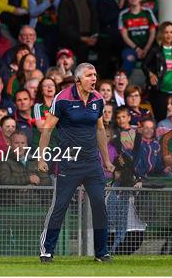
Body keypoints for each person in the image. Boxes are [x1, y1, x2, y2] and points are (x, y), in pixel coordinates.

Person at [38, 63, 115, 262]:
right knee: (60, 206)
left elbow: (100, 130)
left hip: (92, 162)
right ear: (78, 79)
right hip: (69, 162)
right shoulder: (62, 98)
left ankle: (101, 252)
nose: (94, 79)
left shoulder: (98, 99)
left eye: (95, 75)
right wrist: (41, 157)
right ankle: (47, 251)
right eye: (90, 75)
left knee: (99, 205)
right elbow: (47, 129)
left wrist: (106, 160)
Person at [143, 21, 172, 122]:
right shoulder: (155, 50)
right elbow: (144, 65)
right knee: (161, 121)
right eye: (166, 32)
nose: (169, 35)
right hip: (161, 91)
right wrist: (150, 74)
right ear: (161, 34)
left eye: (171, 32)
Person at [58, 0, 99, 64]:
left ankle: (102, 75)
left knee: (107, 43)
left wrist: (94, 35)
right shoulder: (65, 1)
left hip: (90, 36)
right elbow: (64, 27)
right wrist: (82, 38)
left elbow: (95, 19)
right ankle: (83, 76)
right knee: (82, 48)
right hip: (74, 38)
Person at [118, 0, 157, 85]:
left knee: (155, 60)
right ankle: (122, 86)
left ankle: (151, 87)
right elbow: (124, 35)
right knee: (128, 59)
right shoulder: (124, 14)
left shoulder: (147, 12)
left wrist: (147, 48)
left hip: (148, 47)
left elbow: (153, 32)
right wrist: (137, 49)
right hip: (131, 48)